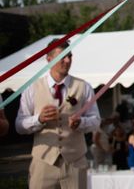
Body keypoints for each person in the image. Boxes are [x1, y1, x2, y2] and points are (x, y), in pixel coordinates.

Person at [15, 39, 101, 189]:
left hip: (75, 161)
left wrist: (81, 122)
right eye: (63, 57)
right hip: (43, 162)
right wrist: (39, 119)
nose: (67, 61)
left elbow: (96, 120)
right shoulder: (32, 87)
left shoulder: (83, 86)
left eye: (70, 56)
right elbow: (19, 124)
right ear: (49, 59)